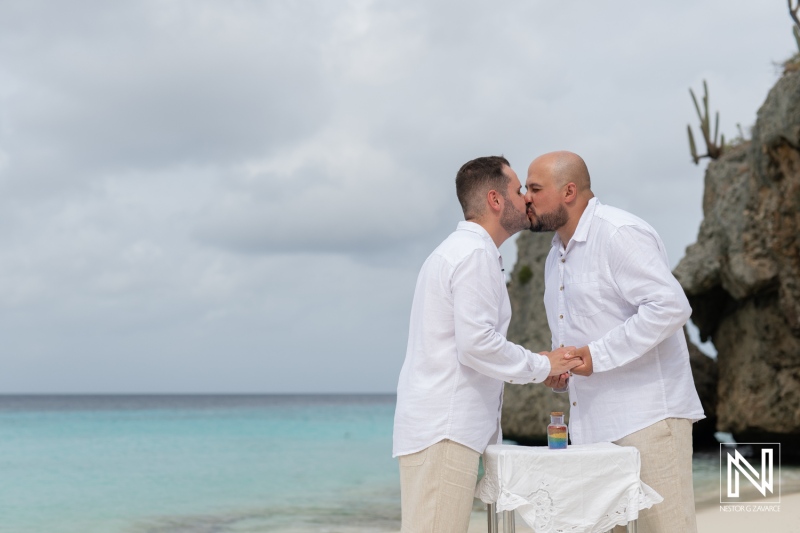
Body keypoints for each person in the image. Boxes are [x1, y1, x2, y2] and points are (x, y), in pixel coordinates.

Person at [393, 155, 580, 533]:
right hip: (445, 429)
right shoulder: (474, 254)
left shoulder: (461, 251)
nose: (527, 198)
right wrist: (544, 365)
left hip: (440, 428)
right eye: (518, 190)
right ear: (496, 200)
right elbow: (477, 344)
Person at [524, 150, 705, 532]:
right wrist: (562, 373)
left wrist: (597, 355)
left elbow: (670, 307)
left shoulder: (619, 233)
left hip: (648, 421)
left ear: (569, 191)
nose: (527, 197)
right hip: (590, 432)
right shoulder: (553, 258)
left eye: (536, 189)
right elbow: (575, 348)